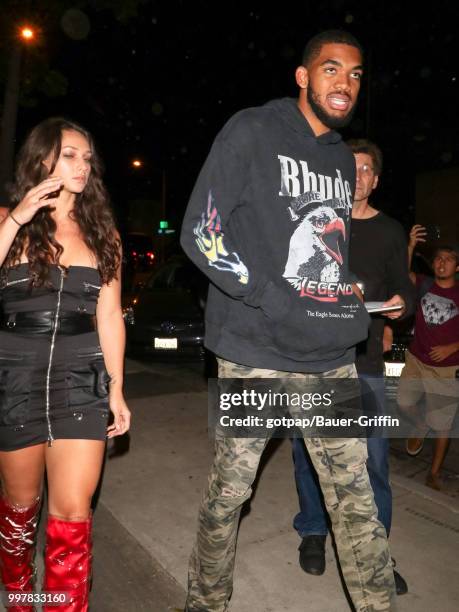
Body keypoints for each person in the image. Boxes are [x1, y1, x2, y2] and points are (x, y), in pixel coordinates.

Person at [180, 31, 395, 612]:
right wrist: (271, 297)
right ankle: (205, 603)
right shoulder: (252, 131)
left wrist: (345, 299)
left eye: (354, 74)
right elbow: (200, 233)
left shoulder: (337, 157)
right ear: (303, 77)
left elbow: (324, 251)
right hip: (254, 353)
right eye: (331, 70)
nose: (344, 84)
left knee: (357, 505)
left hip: (329, 357)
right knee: (229, 497)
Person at [0, 117, 130, 611]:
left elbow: (111, 316)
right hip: (15, 378)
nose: (82, 164)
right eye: (70, 154)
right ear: (42, 159)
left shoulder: (103, 233)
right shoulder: (9, 221)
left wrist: (115, 389)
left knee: (72, 520)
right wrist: (17, 217)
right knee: (18, 514)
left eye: (87, 156)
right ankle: (18, 598)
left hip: (82, 378)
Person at [291, 139, 414, 595]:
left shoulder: (389, 231)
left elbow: (404, 285)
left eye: (365, 170)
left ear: (375, 180)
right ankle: (313, 531)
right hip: (316, 361)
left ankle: (376, 550)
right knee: (308, 454)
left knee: (374, 463)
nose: (357, 176)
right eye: (349, 169)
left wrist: (403, 304)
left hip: (366, 363)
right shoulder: (315, 222)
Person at [400, 226, 459, 491]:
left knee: (443, 424)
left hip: (446, 370)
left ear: (457, 266)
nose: (441, 262)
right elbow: (400, 275)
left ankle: (433, 473)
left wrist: (451, 347)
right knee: (403, 402)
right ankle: (419, 423)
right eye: (438, 258)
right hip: (416, 359)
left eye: (448, 258)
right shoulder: (424, 284)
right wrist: (410, 246)